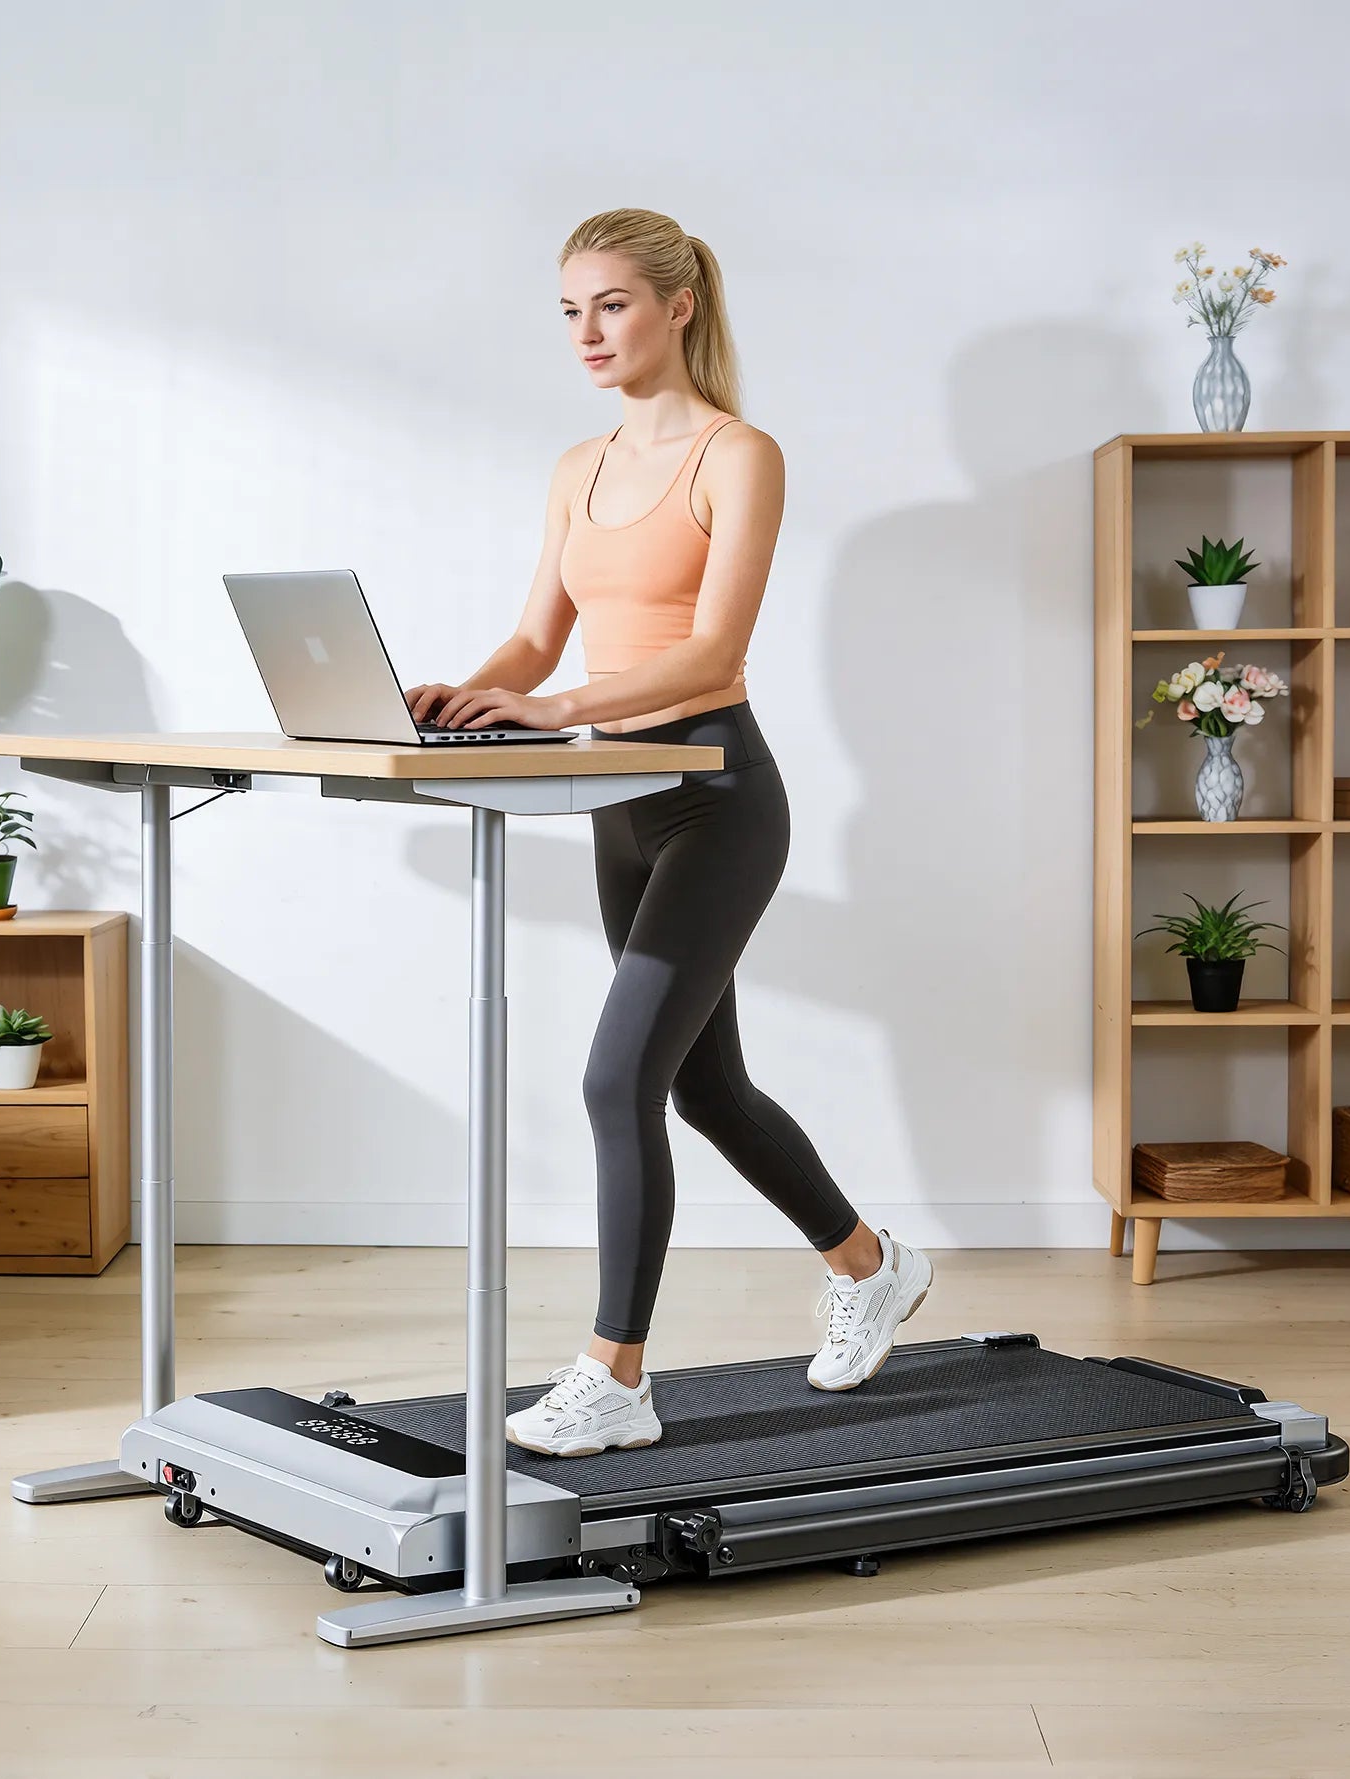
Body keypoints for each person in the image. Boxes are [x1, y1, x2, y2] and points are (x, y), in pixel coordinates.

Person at [403, 208, 932, 1460]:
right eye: (571, 312)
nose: (587, 334)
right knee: (701, 1086)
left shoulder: (736, 456)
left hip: (717, 800)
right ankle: (870, 1266)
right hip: (623, 809)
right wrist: (460, 701)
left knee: (614, 1079)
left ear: (677, 306)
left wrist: (559, 708)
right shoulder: (575, 467)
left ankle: (615, 1377)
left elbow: (710, 652)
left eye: (613, 306)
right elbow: (536, 642)